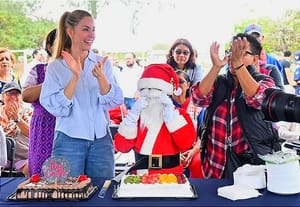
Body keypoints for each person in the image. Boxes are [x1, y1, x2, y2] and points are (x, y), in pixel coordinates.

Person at [40, 10, 124, 178]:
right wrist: (75, 76)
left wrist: (101, 78)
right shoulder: (56, 67)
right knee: (65, 194)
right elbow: (55, 108)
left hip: (101, 140)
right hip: (67, 141)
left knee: (102, 193)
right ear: (70, 32)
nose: (91, 35)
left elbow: (115, 101)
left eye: (93, 29)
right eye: (86, 29)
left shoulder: (103, 64)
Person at [191, 33, 281, 179]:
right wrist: (215, 67)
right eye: (231, 52)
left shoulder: (265, 81)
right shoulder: (219, 82)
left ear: (255, 59)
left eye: (242, 52)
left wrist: (239, 65)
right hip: (214, 168)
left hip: (250, 170)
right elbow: (197, 98)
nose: (234, 57)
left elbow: (258, 99)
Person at [114, 64, 196, 175]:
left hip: (171, 177)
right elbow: (121, 147)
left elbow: (187, 144)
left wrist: (173, 119)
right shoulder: (136, 117)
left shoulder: (178, 114)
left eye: (156, 91)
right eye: (146, 91)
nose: (151, 96)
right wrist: (131, 119)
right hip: (141, 176)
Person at [22, 28, 57, 177]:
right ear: (50, 47)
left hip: (68, 125)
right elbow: (26, 95)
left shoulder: (78, 70)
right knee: (40, 169)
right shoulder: (39, 70)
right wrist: (52, 80)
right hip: (44, 125)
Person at [171, 70, 203, 178]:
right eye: (173, 82)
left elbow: (203, 134)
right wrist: (175, 155)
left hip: (193, 148)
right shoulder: (164, 106)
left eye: (181, 81)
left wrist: (193, 151)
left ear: (188, 85)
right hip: (169, 150)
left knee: (198, 163)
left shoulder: (197, 106)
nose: (177, 85)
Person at [0, 82, 32, 176]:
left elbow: (32, 134)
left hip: (22, 158)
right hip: (2, 158)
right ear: (2, 97)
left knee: (31, 168)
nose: (13, 96)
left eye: (17, 93)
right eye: (10, 93)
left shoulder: (28, 112)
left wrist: (18, 120)